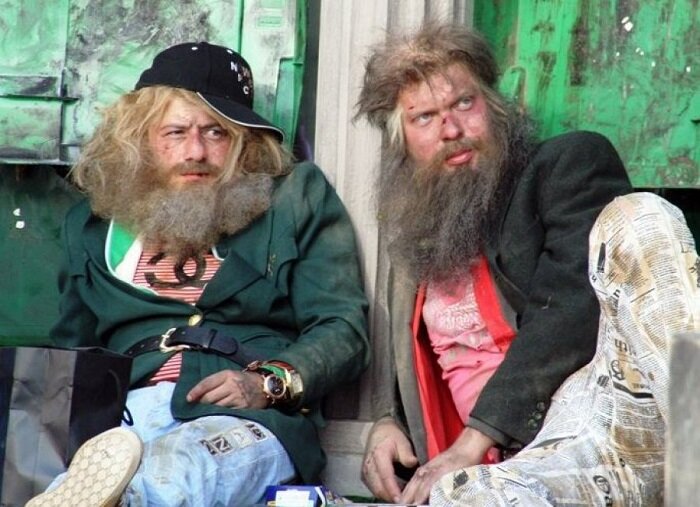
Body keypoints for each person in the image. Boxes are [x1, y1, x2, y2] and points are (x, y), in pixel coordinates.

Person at [27, 41, 369, 507]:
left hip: (244, 413)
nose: (196, 151)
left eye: (216, 133)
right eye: (175, 132)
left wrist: (268, 382)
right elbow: (71, 359)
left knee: (177, 473)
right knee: (65, 481)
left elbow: (342, 328)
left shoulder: (293, 199)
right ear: (141, 137)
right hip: (123, 417)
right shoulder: (90, 227)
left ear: (244, 142)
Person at [355, 22, 633, 504]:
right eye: (424, 117)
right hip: (467, 477)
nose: (451, 130)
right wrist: (386, 423)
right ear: (401, 142)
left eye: (464, 103)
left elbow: (572, 307)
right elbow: (418, 371)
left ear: (496, 105)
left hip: (579, 450)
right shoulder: (414, 241)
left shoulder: (566, 166)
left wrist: (474, 441)